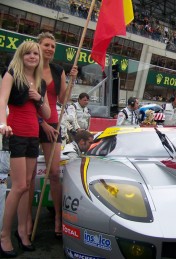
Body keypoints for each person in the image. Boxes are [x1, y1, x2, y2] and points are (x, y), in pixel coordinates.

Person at [0, 41, 51, 257]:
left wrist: (38, 98)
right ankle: (4, 234)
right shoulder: (11, 74)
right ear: (21, 55)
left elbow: (47, 114)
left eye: (36, 53)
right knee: (20, 185)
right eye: (28, 53)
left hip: (33, 136)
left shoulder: (41, 83)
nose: (32, 56)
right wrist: (3, 124)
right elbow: (1, 102)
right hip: (15, 133)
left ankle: (22, 232)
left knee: (27, 185)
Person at [28, 32, 78, 240]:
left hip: (54, 122)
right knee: (29, 177)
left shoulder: (58, 70)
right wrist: (41, 122)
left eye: (52, 46)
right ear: (38, 46)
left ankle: (58, 218)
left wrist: (72, 80)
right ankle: (27, 220)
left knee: (55, 172)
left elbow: (63, 98)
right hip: (31, 121)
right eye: (46, 45)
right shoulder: (30, 67)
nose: (49, 48)